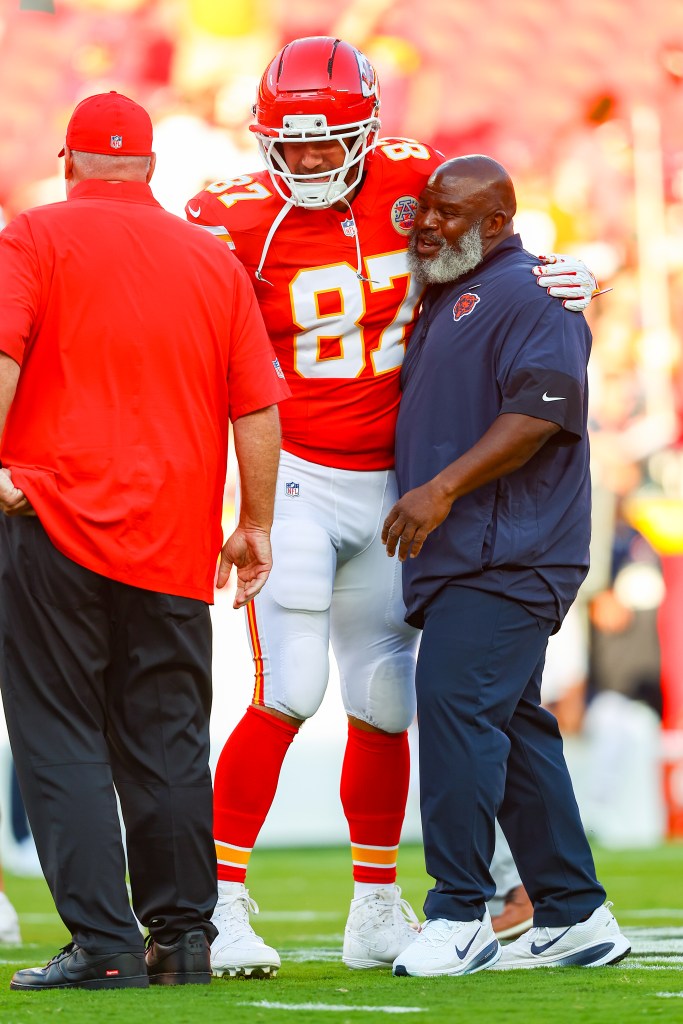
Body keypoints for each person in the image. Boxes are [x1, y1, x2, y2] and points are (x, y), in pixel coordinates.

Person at [186, 36, 601, 976]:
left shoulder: (421, 178)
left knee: (383, 697)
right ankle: (219, 903)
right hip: (288, 468)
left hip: (388, 483)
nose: (308, 163)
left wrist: (569, 278)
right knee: (288, 688)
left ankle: (377, 905)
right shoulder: (230, 213)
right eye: (289, 147)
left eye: (328, 143)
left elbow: (495, 244)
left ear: (367, 132)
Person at [0, 91, 289, 991]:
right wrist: (256, 523)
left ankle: (104, 943)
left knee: (60, 735)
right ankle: (184, 937)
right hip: (174, 536)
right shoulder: (210, 258)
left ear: (67, 160)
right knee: (167, 738)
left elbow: (3, 358)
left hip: (52, 517)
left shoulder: (32, 238)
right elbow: (259, 405)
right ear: (151, 168)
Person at [382, 155, 631, 977]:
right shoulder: (448, 293)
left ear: (497, 222)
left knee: (454, 709)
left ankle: (459, 912)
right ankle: (574, 912)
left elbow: (544, 406)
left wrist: (441, 489)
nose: (429, 224)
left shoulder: (530, 291)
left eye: (450, 214)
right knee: (511, 727)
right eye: (425, 209)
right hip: (477, 550)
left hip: (506, 550)